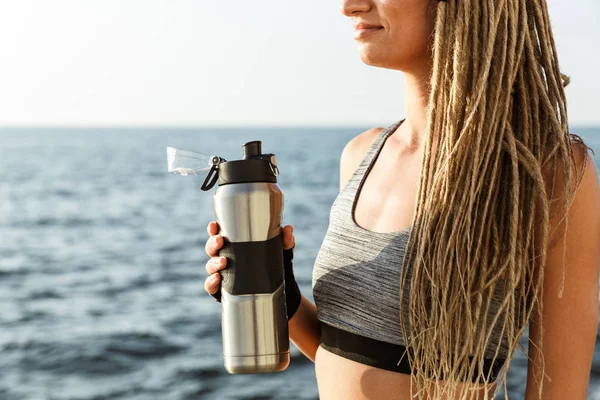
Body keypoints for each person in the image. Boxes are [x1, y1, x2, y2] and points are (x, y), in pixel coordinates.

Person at [204, 0, 600, 399]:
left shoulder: (546, 173)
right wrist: (279, 291)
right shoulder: (361, 154)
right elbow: (346, 353)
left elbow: (559, 392)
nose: (349, 6)